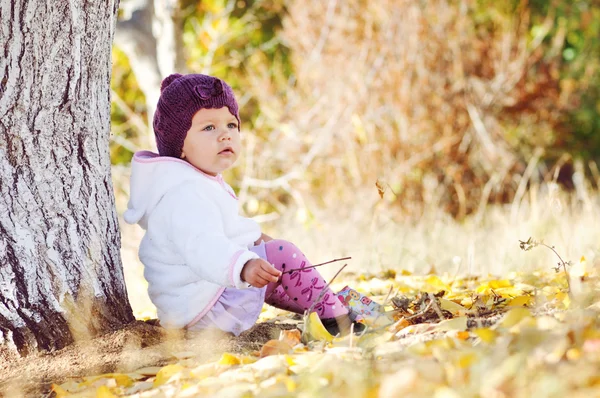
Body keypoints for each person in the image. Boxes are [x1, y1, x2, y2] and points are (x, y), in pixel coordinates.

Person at [124, 73, 363, 337]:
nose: (225, 135)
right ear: (179, 144)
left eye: (231, 125)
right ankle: (340, 321)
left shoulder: (193, 182)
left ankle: (325, 307)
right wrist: (244, 264)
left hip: (200, 304)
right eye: (209, 128)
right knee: (283, 252)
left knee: (269, 264)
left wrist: (256, 242)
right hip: (204, 309)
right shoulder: (185, 194)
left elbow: (224, 230)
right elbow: (203, 246)